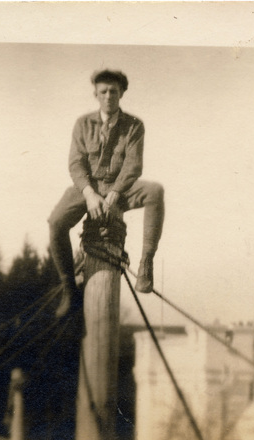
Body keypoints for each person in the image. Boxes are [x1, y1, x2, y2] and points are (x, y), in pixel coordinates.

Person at [48, 69, 165, 318]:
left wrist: (114, 193)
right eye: (104, 92)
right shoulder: (83, 124)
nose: (109, 96)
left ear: (122, 93)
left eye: (114, 91)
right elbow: (76, 164)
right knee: (56, 222)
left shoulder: (134, 126)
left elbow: (133, 165)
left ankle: (146, 264)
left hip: (119, 188)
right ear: (96, 95)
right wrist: (89, 194)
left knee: (155, 191)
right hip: (87, 188)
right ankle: (69, 290)